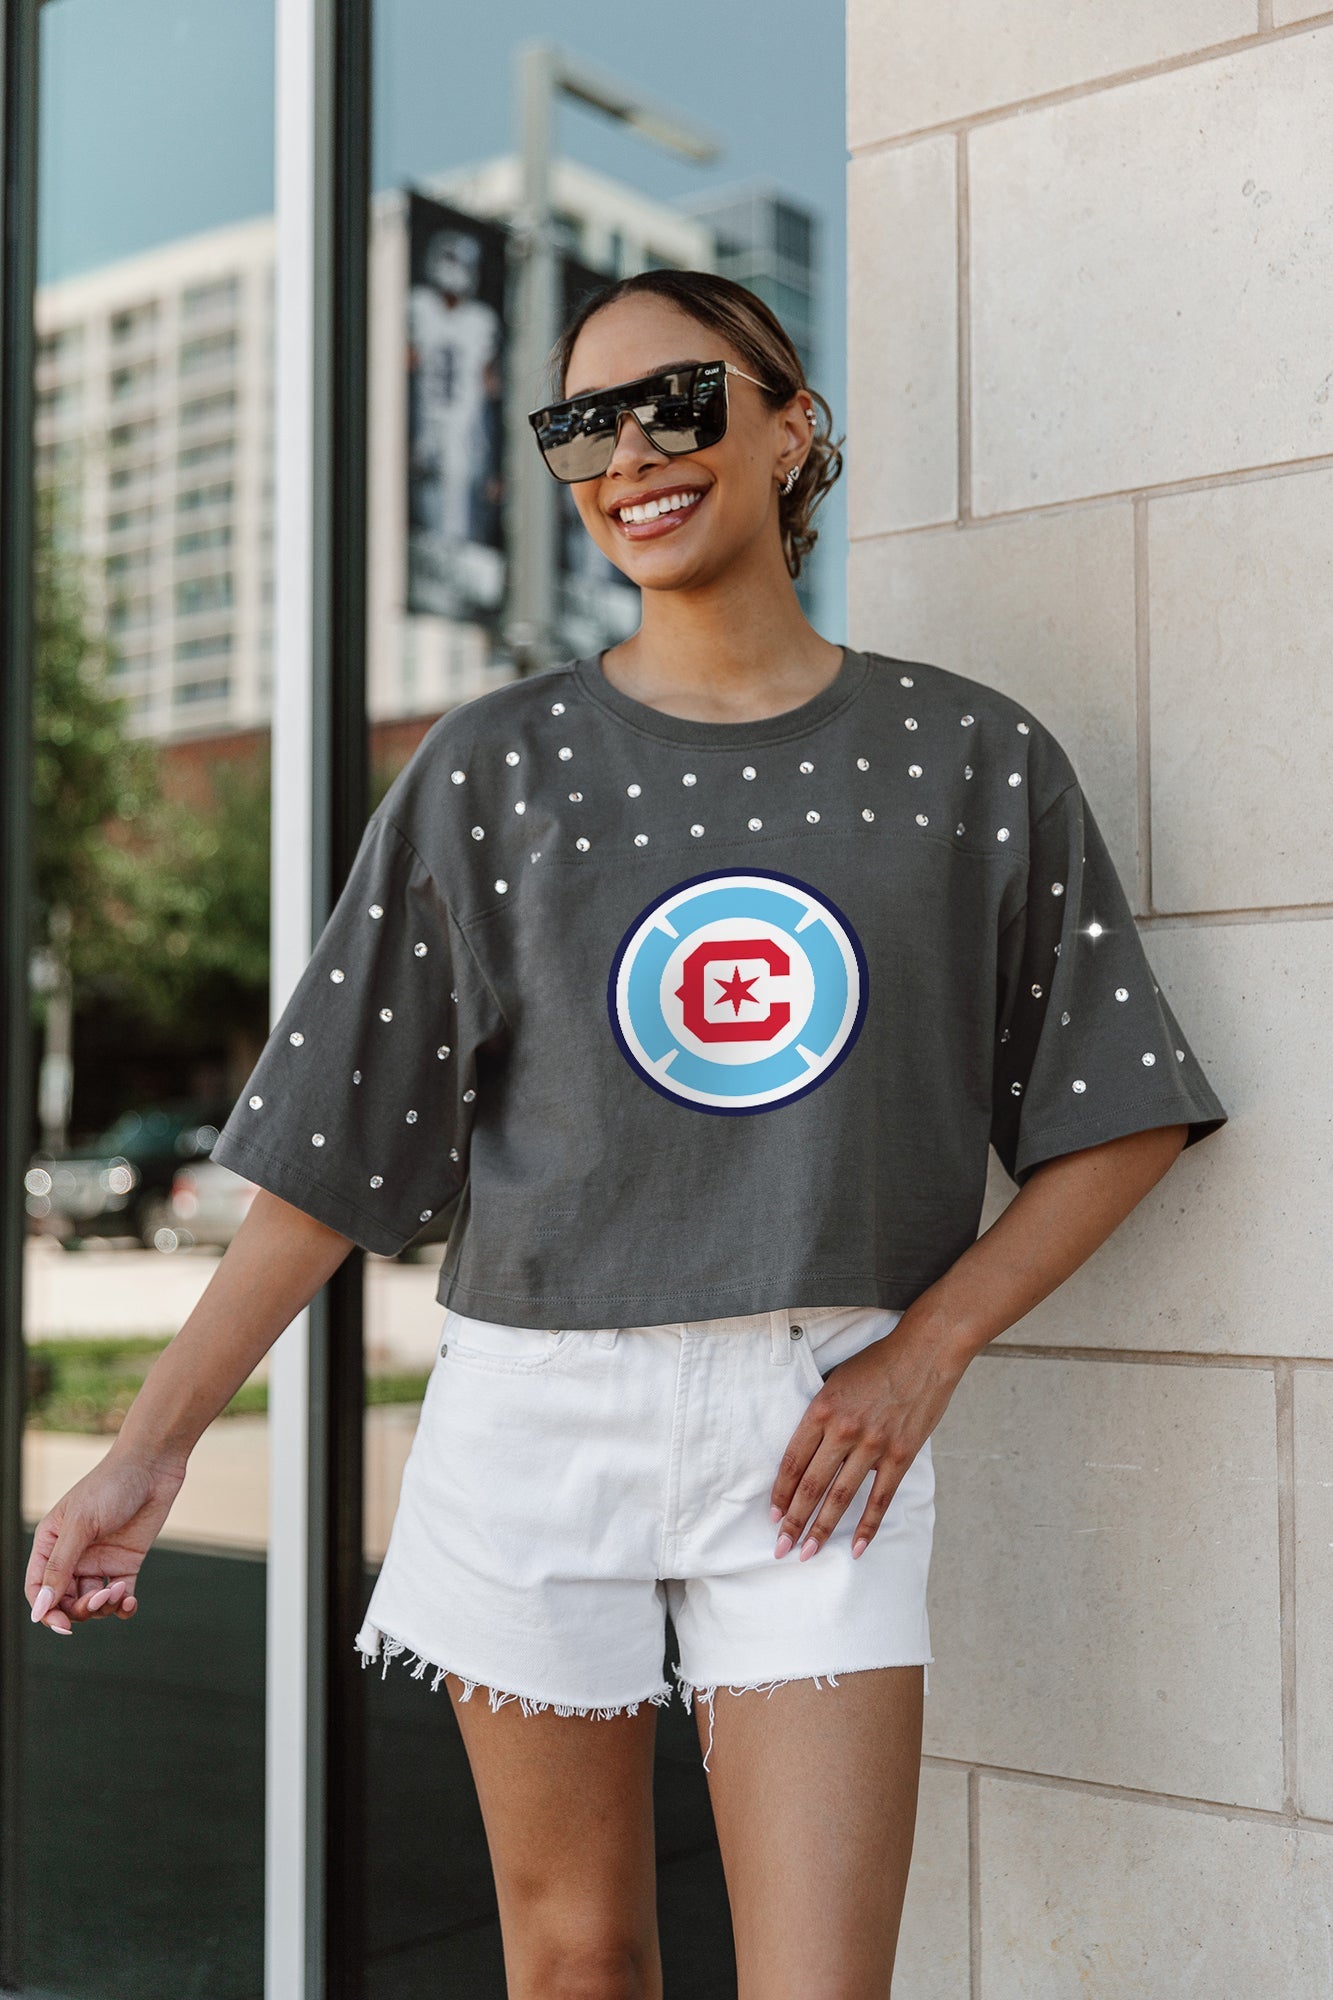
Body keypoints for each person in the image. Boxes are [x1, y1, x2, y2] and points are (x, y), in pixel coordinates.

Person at [25, 269, 1228, 1998]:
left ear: (792, 425)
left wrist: (926, 1351)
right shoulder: (492, 767)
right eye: (581, 426)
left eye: (678, 401)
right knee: (575, 1964)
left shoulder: (966, 756)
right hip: (535, 1415)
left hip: (821, 1429)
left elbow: (1120, 1109)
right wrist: (151, 1448)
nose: (630, 456)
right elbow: (330, 1154)